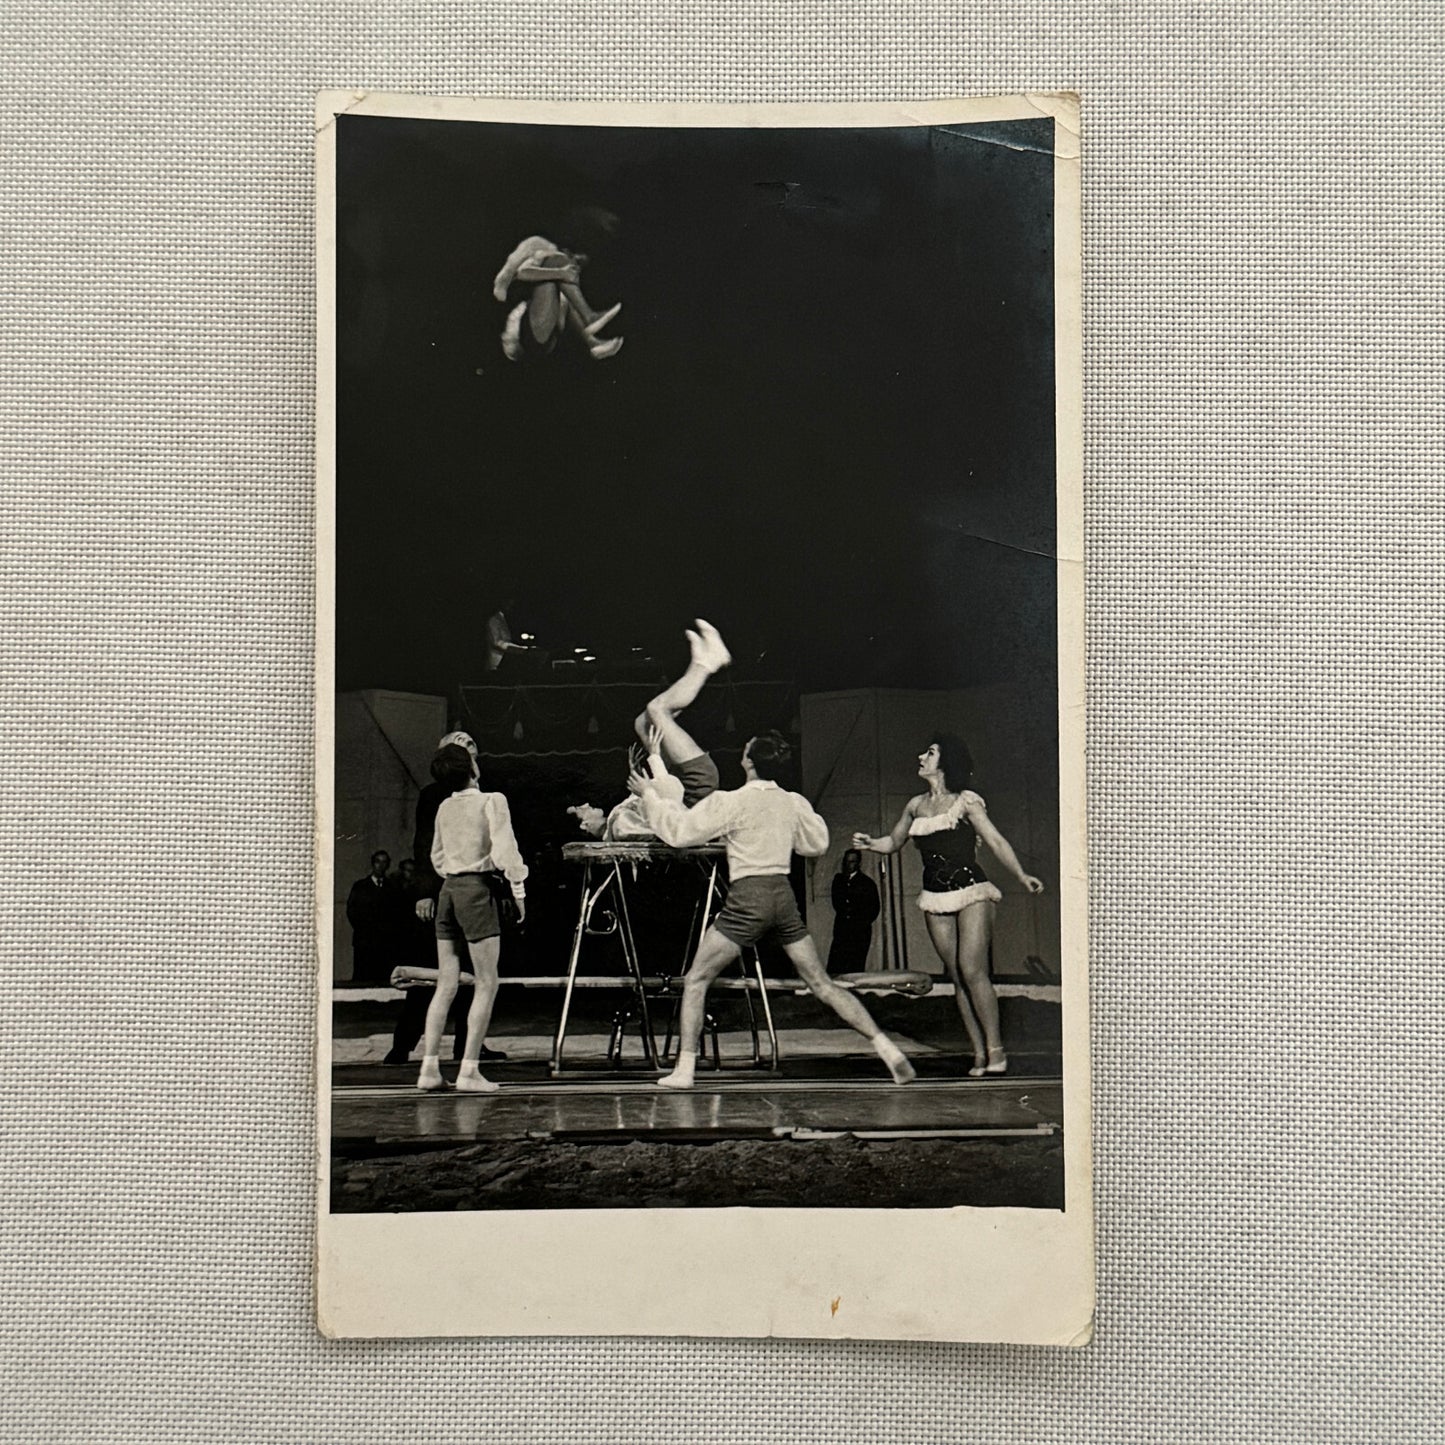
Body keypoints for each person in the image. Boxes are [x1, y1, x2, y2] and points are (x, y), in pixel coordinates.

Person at [633, 730, 916, 1090]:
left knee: (697, 979)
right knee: (822, 984)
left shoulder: (730, 801)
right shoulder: (791, 801)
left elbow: (679, 832)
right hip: (783, 895)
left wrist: (650, 797)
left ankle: (684, 1070)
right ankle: (889, 1051)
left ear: (748, 761)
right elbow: (816, 844)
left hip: (749, 896)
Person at [852, 735, 1044, 1077]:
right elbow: (893, 842)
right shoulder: (915, 806)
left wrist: (1020, 874)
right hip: (935, 895)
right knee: (956, 975)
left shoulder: (966, 802)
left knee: (972, 970)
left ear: (945, 762)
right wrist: (871, 844)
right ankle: (979, 1054)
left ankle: (996, 1049)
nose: (921, 756)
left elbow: (996, 840)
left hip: (972, 890)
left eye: (930, 752)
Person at [385, 731, 505, 1066]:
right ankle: (404, 1045)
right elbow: (425, 847)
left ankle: (469, 1048)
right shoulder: (435, 796)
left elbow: (494, 849)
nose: (469, 748)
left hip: (472, 892)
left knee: (471, 973)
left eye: (471, 744)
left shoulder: (484, 796)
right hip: (445, 892)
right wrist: (426, 892)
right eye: (461, 745)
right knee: (433, 974)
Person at [416, 742, 528, 1093]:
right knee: (486, 982)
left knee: (446, 984)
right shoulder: (492, 800)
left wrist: (455, 873)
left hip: (448, 889)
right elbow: (506, 849)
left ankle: (429, 1070)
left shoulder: (445, 806)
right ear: (473, 770)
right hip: (475, 891)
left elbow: (436, 855)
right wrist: (518, 890)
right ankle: (468, 1071)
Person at [567, 618, 728, 841]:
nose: (585, 804)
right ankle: (706, 665)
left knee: (643, 723)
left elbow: (656, 803)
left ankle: (700, 665)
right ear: (585, 825)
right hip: (695, 790)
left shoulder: (618, 819)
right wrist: (653, 760)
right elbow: (669, 819)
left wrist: (645, 781)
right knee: (657, 709)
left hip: (682, 786)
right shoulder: (621, 827)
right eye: (579, 808)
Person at [493, 232, 623, 362]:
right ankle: (589, 319)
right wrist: (561, 272)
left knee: (564, 290)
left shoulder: (558, 285)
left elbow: (567, 305)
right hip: (520, 336)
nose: (576, 268)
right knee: (556, 264)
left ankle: (592, 340)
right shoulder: (544, 253)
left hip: (542, 338)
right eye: (576, 261)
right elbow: (522, 272)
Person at [345, 850, 399, 984]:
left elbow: (396, 914)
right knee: (363, 978)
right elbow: (352, 911)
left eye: (384, 862)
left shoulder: (392, 888)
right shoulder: (360, 886)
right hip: (365, 942)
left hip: (385, 943)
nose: (381, 866)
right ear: (372, 864)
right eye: (378, 862)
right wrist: (365, 930)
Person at [827, 849, 881, 973]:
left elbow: (874, 908)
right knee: (836, 967)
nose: (848, 865)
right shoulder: (839, 881)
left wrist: (859, 923)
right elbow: (837, 903)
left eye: (852, 862)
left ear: (858, 863)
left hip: (860, 933)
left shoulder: (867, 883)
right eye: (846, 861)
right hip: (842, 930)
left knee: (856, 967)